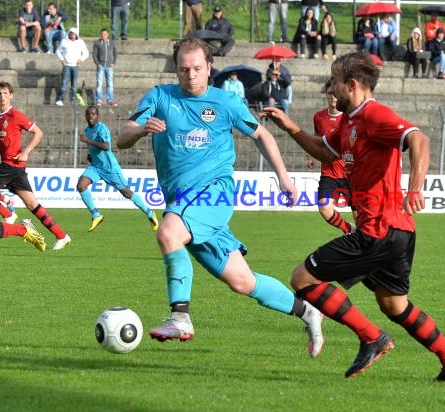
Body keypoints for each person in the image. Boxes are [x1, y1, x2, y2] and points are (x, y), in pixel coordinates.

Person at [261, 51, 445, 382]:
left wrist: (415, 188)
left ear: (352, 84)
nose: (330, 88)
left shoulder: (374, 115)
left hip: (380, 230)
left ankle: (371, 337)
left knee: (303, 279)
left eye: (334, 81)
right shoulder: (349, 121)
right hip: (398, 232)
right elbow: (322, 150)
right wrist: (289, 126)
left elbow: (419, 139)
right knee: (394, 305)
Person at [116, 38, 324, 357]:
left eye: (197, 69)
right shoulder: (159, 97)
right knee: (242, 281)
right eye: (184, 69)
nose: (190, 75)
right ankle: (308, 311)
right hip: (181, 201)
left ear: (209, 68)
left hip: (214, 194)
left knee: (168, 234)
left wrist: (283, 177)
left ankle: (180, 316)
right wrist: (142, 129)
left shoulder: (225, 102)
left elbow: (261, 135)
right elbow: (123, 137)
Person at [0, 81, 71, 250]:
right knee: (32, 204)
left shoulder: (15, 115)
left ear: (11, 95)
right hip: (14, 169)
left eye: (5, 93)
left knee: (30, 203)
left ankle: (8, 213)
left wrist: (26, 151)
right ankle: (62, 235)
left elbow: (38, 132)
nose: (2, 96)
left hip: (12, 165)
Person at [77, 105, 158, 232]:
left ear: (97, 115)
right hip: (96, 167)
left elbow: (106, 146)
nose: (90, 116)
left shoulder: (102, 129)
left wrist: (88, 141)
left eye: (93, 114)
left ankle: (150, 213)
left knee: (126, 192)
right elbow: (94, 148)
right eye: (88, 114)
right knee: (81, 185)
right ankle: (96, 215)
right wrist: (90, 155)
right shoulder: (87, 131)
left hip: (110, 169)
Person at [308, 80, 354, 235]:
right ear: (326, 95)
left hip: (351, 175)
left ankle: (363, 244)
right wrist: (312, 155)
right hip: (330, 174)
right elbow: (316, 136)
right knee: (324, 208)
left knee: (361, 217)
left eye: (336, 93)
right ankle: (348, 230)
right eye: (330, 93)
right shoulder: (318, 117)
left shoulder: (349, 117)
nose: (333, 97)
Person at [55, 27, 90, 107]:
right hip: (67, 66)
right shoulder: (64, 41)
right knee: (64, 83)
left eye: (74, 34)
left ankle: (72, 100)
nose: (72, 35)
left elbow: (86, 53)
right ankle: (61, 99)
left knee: (74, 85)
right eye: (71, 33)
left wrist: (81, 59)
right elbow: (58, 51)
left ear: (76, 35)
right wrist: (62, 59)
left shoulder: (80, 42)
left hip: (75, 66)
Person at [92, 28, 118, 107]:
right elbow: (94, 54)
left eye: (105, 34)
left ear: (108, 35)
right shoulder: (97, 43)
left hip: (109, 66)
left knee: (110, 83)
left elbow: (115, 53)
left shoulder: (112, 43)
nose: (103, 36)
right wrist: (97, 63)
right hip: (101, 66)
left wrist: (114, 62)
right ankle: (99, 100)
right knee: (99, 83)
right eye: (102, 34)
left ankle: (110, 99)